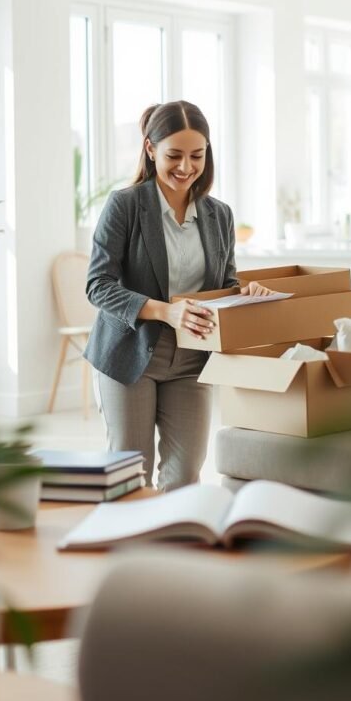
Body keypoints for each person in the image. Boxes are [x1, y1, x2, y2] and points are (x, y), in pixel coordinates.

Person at [84, 99, 273, 491]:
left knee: (185, 475)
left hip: (192, 359)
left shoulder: (219, 214)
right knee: (130, 473)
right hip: (129, 355)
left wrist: (246, 293)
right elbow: (98, 284)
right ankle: (129, 545)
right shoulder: (126, 206)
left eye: (197, 155)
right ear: (151, 150)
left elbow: (224, 282)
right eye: (174, 155)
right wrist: (164, 311)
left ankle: (170, 545)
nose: (186, 167)